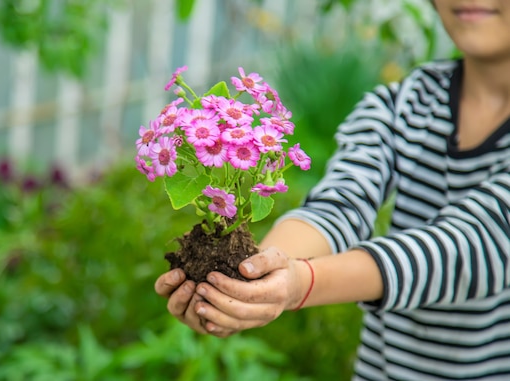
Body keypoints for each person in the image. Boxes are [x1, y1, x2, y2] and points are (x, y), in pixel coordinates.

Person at [154, 0, 510, 379]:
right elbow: (339, 205)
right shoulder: (404, 104)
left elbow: (470, 246)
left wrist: (299, 285)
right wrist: (251, 285)